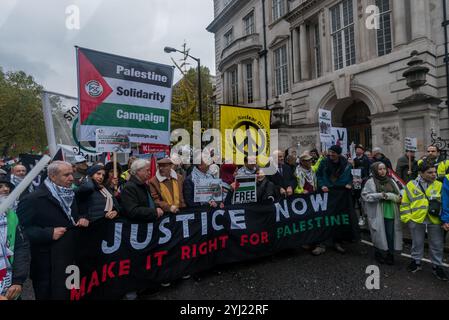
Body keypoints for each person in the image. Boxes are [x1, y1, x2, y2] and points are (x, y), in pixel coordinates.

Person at [17, 161, 90, 299]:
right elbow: (20, 232)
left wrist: (83, 217)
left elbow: (79, 213)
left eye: (72, 174)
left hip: (70, 260)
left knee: (71, 293)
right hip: (46, 264)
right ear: (52, 176)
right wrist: (48, 233)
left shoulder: (71, 194)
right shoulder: (33, 199)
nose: (71, 178)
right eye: (66, 175)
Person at [400, 161, 447, 281]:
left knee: (437, 244)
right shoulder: (411, 185)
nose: (434, 175)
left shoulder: (440, 185)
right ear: (421, 173)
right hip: (417, 219)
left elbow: (446, 204)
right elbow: (405, 202)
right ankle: (416, 262)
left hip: (435, 220)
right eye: (430, 172)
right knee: (417, 242)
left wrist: (444, 219)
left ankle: (437, 266)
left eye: (435, 172)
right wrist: (407, 218)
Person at [362, 162, 402, 265]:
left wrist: (393, 197)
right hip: (377, 212)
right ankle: (378, 253)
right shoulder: (370, 182)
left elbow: (399, 195)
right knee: (378, 233)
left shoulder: (391, 181)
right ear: (375, 170)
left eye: (384, 168)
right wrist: (380, 195)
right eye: (380, 169)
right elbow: (365, 196)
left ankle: (390, 254)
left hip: (390, 211)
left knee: (390, 234)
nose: (382, 171)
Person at [316, 145, 353, 254]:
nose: (331, 154)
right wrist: (322, 185)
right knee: (324, 218)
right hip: (326, 193)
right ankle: (321, 243)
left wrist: (350, 183)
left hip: (341, 194)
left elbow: (352, 177)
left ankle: (338, 242)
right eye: (330, 152)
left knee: (339, 218)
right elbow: (318, 175)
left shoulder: (346, 164)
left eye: (333, 152)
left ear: (339, 154)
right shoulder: (324, 162)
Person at [0, 179, 30, 300]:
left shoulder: (11, 215)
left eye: (7, 186)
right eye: (0, 186)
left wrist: (18, 280)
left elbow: (20, 247)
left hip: (9, 284)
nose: (6, 189)